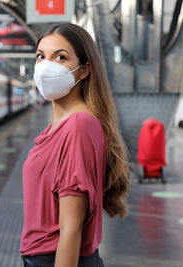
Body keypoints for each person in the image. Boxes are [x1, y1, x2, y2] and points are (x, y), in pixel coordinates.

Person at [20, 23, 130, 267]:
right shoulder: (57, 127)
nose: (46, 65)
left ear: (84, 70)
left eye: (60, 57)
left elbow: (70, 230)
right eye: (41, 56)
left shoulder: (79, 126)